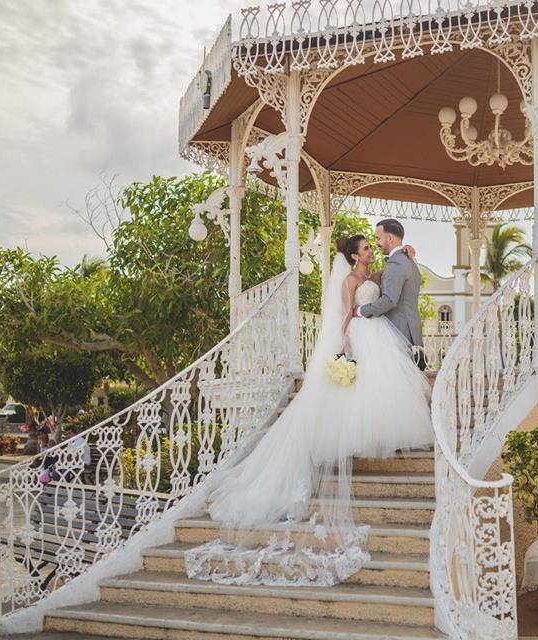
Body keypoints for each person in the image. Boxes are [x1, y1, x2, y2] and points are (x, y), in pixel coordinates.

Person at [184, 233, 433, 587]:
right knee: (360, 390)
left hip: (379, 333)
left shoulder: (373, 276)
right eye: (365, 247)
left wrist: (409, 253)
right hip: (360, 335)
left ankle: (372, 432)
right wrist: (345, 346)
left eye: (371, 245)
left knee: (381, 387)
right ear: (352, 256)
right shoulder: (349, 280)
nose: (370, 250)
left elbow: (391, 286)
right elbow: (346, 314)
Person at [355, 219, 427, 371]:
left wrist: (360, 311)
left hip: (399, 332)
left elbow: (389, 300)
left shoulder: (396, 264)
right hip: (410, 329)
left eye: (378, 238)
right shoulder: (409, 260)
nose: (376, 243)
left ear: (390, 238)